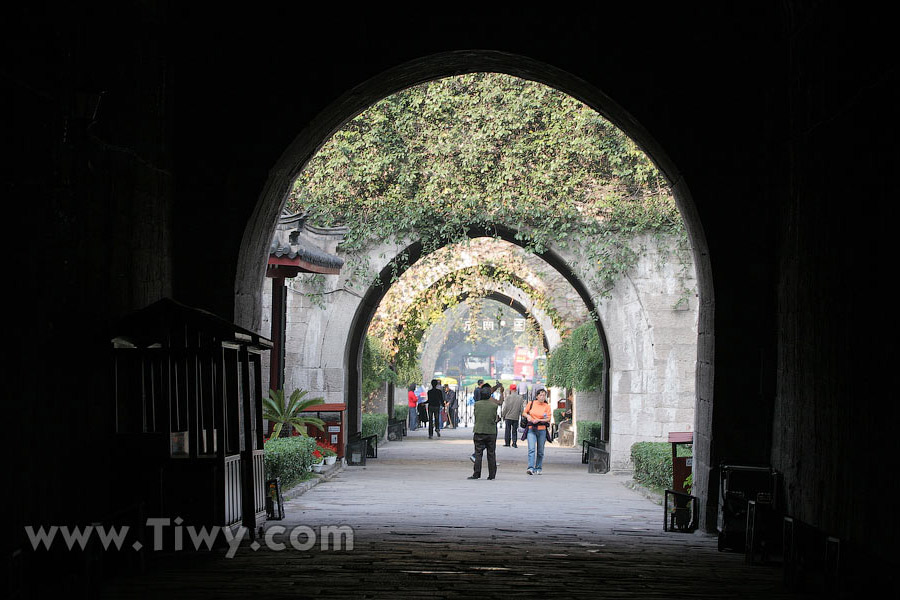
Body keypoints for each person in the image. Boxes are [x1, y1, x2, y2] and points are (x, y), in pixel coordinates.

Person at [468, 382, 501, 480]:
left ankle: (476, 473)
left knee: (478, 453)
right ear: (490, 395)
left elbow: (477, 415)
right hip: (491, 432)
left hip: (479, 431)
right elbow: (494, 418)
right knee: (491, 453)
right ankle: (492, 474)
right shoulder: (494, 406)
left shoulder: (477, 404)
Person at [523, 385, 552, 475]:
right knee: (531, 449)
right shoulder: (531, 404)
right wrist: (528, 416)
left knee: (540, 451)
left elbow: (548, 418)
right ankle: (530, 467)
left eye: (544, 395)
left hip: (542, 429)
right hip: (532, 429)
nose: (542, 397)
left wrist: (539, 420)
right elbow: (524, 412)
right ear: (537, 396)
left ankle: (538, 467)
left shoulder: (546, 406)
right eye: (541, 395)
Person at [500, 382, 525, 447]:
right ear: (516, 389)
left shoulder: (508, 398)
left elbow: (505, 408)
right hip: (516, 417)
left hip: (508, 417)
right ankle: (514, 443)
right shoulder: (520, 398)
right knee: (514, 431)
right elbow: (521, 408)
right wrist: (523, 415)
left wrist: (502, 415)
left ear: (510, 389)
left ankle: (507, 443)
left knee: (507, 430)